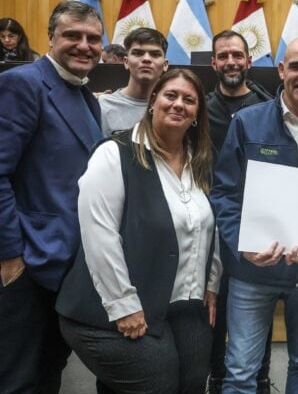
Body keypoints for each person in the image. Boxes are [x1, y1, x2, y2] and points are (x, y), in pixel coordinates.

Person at [56, 69, 221, 393]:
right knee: (157, 380)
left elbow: (206, 226)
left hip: (177, 303)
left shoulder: (197, 160)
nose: (178, 105)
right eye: (170, 95)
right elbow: (99, 236)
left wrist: (211, 281)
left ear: (197, 114)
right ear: (152, 101)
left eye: (189, 100)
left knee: (193, 378)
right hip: (106, 309)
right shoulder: (114, 153)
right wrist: (123, 306)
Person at [211, 36, 298, 393]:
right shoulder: (246, 122)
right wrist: (241, 247)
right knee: (241, 370)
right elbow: (224, 194)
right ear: (281, 70)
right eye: (296, 66)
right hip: (251, 273)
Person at [0, 0, 103, 392]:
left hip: (66, 267)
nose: (84, 45)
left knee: (48, 372)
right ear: (50, 38)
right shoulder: (22, 84)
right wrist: (10, 257)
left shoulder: (87, 98)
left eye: (93, 38)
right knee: (16, 379)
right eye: (72, 36)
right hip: (26, 265)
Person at [206, 29, 273, 394]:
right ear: (213, 62)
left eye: (237, 55)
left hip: (260, 231)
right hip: (210, 231)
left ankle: (260, 379)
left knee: (257, 313)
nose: (231, 61)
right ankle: (216, 379)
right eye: (223, 56)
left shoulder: (268, 107)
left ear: (249, 61)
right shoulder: (198, 108)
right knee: (213, 312)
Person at [99, 27, 169, 137]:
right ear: (126, 62)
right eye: (138, 53)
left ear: (165, 65)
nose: (146, 59)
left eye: (155, 54)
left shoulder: (174, 107)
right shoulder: (104, 106)